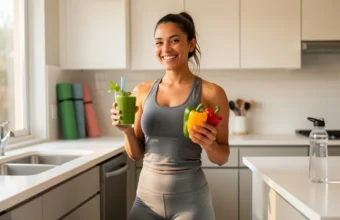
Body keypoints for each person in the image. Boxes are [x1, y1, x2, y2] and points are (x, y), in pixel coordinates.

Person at [111, 12, 230, 220]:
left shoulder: (212, 93)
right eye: (159, 43)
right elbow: (136, 154)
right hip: (145, 201)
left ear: (191, 44)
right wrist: (127, 132)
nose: (165, 49)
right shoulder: (142, 91)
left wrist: (209, 144)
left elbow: (222, 157)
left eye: (174, 41)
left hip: (191, 204)